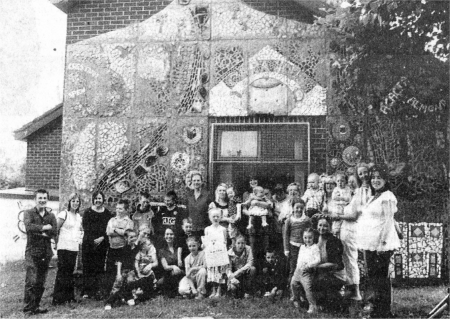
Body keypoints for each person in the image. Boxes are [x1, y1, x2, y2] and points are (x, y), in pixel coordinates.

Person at [356, 164, 401, 318]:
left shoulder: (388, 196)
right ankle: (375, 307)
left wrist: (382, 243)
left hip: (381, 243)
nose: (375, 180)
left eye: (379, 178)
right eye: (373, 177)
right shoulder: (374, 196)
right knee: (373, 276)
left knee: (380, 277)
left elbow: (389, 220)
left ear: (385, 180)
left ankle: (383, 310)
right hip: (369, 242)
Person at [333, 163, 372, 301]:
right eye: (360, 174)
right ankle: (351, 287)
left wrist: (338, 216)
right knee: (347, 259)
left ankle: (356, 291)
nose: (363, 176)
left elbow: (355, 215)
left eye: (365, 172)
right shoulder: (357, 192)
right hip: (346, 229)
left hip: (352, 229)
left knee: (351, 259)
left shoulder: (365, 191)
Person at [23, 189, 57, 315]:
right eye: (40, 198)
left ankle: (36, 306)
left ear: (47, 199)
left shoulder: (51, 216)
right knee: (31, 280)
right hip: (32, 251)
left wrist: (43, 232)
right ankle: (28, 308)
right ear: (35, 199)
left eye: (44, 198)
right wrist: (43, 228)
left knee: (40, 282)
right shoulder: (29, 213)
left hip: (46, 252)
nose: (42, 200)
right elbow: (28, 227)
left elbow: (54, 231)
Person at [52, 193, 83, 306]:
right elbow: (55, 229)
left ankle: (69, 297)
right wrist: (56, 243)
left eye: (77, 201)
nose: (75, 203)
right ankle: (57, 298)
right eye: (73, 201)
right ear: (69, 202)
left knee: (70, 272)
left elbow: (80, 231)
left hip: (73, 247)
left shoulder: (79, 217)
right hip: (63, 247)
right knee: (62, 271)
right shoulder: (64, 214)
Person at [81, 191, 112, 299]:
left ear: (103, 200)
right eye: (96, 198)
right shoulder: (88, 212)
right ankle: (87, 291)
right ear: (93, 199)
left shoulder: (107, 213)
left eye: (100, 198)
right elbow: (86, 227)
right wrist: (92, 240)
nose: (98, 200)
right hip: (89, 243)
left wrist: (102, 238)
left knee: (99, 266)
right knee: (88, 266)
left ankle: (97, 290)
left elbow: (109, 228)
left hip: (102, 243)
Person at [312, 215, 346, 311]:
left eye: (325, 226)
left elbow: (335, 264)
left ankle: (333, 301)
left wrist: (316, 266)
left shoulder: (334, 241)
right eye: (320, 225)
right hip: (321, 271)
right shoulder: (315, 238)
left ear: (330, 227)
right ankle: (316, 301)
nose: (322, 228)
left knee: (323, 281)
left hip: (335, 273)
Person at [104, 229, 141, 310]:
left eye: (135, 237)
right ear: (126, 238)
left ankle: (128, 296)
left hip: (132, 271)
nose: (133, 238)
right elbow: (119, 262)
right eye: (131, 237)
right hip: (123, 270)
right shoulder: (123, 249)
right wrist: (119, 274)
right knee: (118, 284)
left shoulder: (137, 248)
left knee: (130, 281)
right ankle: (109, 302)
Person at [104, 199, 134, 295]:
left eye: (120, 209)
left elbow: (127, 233)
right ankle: (109, 292)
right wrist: (120, 230)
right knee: (110, 270)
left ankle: (122, 293)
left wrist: (115, 229)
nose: (117, 210)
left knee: (122, 271)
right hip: (112, 248)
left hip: (123, 249)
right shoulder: (112, 220)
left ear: (126, 210)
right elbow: (108, 232)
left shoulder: (129, 221)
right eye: (117, 208)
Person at [283, 200, 312, 290]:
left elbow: (311, 232)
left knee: (304, 267)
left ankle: (303, 289)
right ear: (293, 208)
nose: (299, 210)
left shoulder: (306, 219)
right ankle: (292, 290)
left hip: (304, 247)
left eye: (301, 208)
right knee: (293, 267)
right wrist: (286, 249)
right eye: (297, 208)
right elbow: (286, 235)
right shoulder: (289, 220)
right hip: (293, 247)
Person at [290, 228, 321, 314]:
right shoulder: (302, 247)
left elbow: (318, 260)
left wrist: (309, 265)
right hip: (298, 270)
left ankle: (313, 306)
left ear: (313, 237)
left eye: (310, 238)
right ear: (303, 238)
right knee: (293, 284)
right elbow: (299, 258)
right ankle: (296, 299)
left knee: (308, 288)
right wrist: (298, 267)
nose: (307, 240)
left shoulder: (315, 247)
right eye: (305, 237)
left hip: (307, 271)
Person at [204, 208, 229, 298]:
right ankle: (213, 291)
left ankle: (219, 290)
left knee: (219, 273)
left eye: (217, 216)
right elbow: (206, 242)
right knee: (212, 273)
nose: (215, 218)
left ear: (220, 217)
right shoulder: (207, 229)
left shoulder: (223, 229)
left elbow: (225, 241)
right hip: (211, 254)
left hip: (220, 254)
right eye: (213, 216)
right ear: (210, 217)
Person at [158, 228, 184, 297]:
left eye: (171, 234)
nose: (169, 236)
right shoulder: (162, 251)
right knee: (161, 282)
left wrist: (178, 265)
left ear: (174, 236)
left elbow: (180, 263)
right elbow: (165, 267)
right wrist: (173, 266)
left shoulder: (178, 248)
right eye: (167, 234)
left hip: (180, 272)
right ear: (164, 236)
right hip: (168, 274)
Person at [186, 172, 212, 238]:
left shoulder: (207, 195)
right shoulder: (189, 195)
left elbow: (211, 211)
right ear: (191, 182)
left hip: (204, 228)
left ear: (202, 182)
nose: (196, 182)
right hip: (191, 229)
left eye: (198, 180)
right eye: (194, 180)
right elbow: (186, 212)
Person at [329, 173, 352, 238]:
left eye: (342, 181)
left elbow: (349, 199)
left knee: (344, 225)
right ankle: (335, 234)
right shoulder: (336, 189)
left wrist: (340, 197)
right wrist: (343, 198)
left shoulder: (347, 189)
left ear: (345, 181)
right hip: (337, 208)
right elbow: (334, 197)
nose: (340, 183)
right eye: (338, 181)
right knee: (336, 224)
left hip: (345, 208)